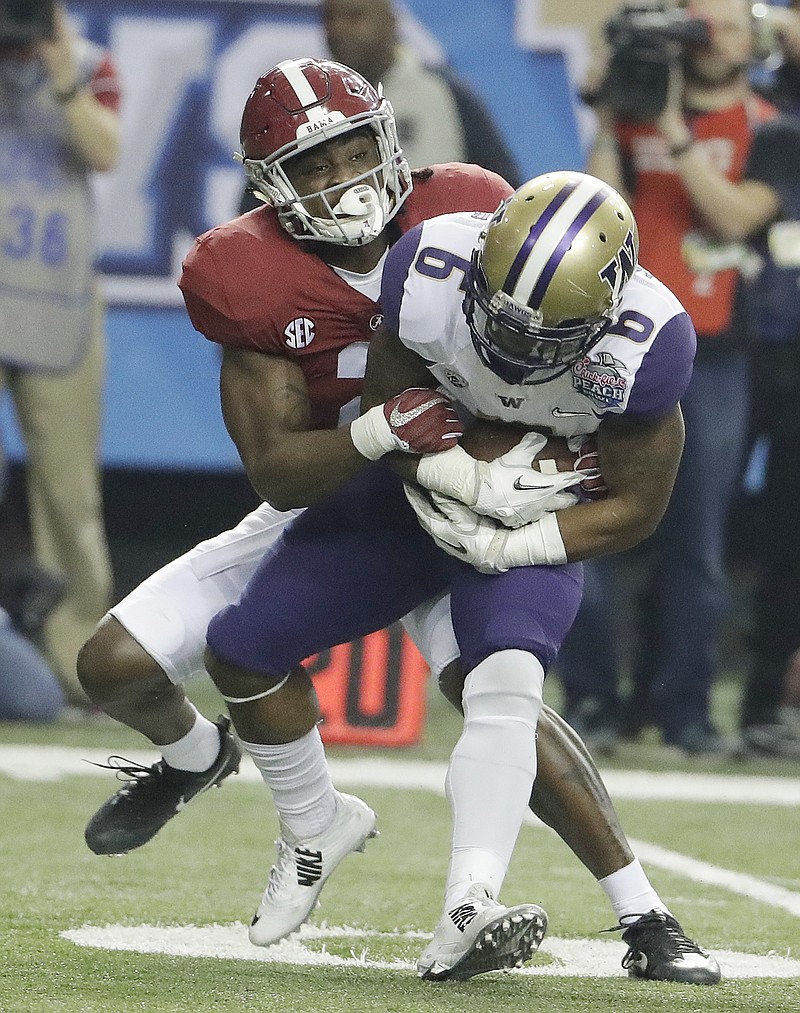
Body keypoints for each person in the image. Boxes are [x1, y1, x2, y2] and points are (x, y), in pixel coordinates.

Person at [76, 58, 718, 985]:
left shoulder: (472, 221)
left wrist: (511, 511)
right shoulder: (270, 274)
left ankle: (632, 910)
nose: (339, 181)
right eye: (311, 166)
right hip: (363, 494)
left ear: (387, 140)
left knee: (501, 692)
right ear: (268, 185)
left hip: (478, 502)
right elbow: (285, 466)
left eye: (348, 152)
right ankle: (266, 797)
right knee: (131, 663)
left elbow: (611, 468)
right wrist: (392, 435)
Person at [560, 0, 786, 753]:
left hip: (716, 352)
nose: (712, 37)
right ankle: (590, 701)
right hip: (613, 344)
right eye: (700, 24)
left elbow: (733, 217)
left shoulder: (769, 124)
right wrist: (606, 113)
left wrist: (673, 130)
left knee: (699, 545)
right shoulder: (632, 111)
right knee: (582, 523)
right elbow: (597, 214)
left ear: (752, 41)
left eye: (726, 25)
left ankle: (686, 711)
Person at [0, 1, 119, 708]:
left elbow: (104, 150)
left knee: (68, 496)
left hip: (57, 302)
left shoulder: (92, 63)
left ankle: (80, 670)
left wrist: (60, 69)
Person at [239, 0, 521, 214]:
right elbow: (257, 209)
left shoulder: (445, 95)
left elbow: (503, 192)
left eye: (355, 16)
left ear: (391, 21)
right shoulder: (297, 110)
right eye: (330, 18)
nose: (338, 30)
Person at [738, 2, 800, 757]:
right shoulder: (757, 103)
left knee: (790, 537)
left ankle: (765, 701)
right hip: (738, 333)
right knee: (683, 514)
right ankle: (649, 697)